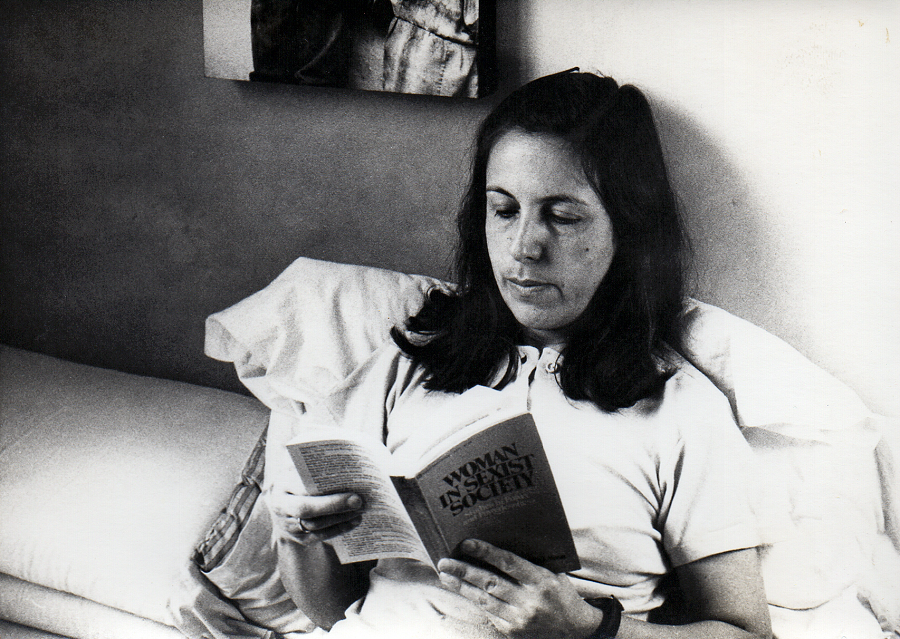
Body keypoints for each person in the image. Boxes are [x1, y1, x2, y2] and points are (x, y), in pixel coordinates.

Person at [264, 69, 773, 638]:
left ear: (628, 230)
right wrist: (296, 535)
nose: (524, 247)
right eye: (504, 210)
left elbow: (748, 633)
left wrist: (592, 629)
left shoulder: (679, 410)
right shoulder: (409, 363)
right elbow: (330, 610)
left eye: (563, 216)